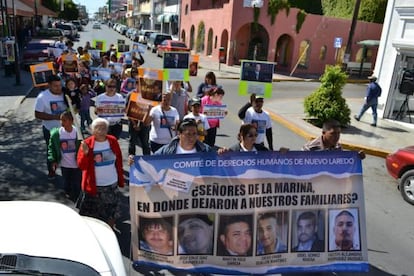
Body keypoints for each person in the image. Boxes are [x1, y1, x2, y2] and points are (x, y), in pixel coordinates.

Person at [77, 118, 124, 228]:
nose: (101, 130)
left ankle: (110, 231)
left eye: (104, 127)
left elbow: (119, 159)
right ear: (92, 130)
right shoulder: (87, 143)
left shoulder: (112, 141)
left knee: (111, 213)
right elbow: (81, 165)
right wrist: (86, 153)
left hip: (111, 183)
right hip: (94, 186)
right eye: (98, 127)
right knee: (92, 216)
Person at [34, 75, 68, 179]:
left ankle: (67, 172)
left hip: (66, 129)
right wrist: (56, 117)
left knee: (67, 152)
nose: (59, 88)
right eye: (55, 86)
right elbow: (38, 114)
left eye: (60, 85)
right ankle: (52, 171)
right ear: (49, 86)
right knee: (52, 152)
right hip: (50, 130)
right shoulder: (42, 97)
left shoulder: (65, 93)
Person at [47, 111, 81, 202]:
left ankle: (78, 197)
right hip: (65, 164)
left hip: (76, 164)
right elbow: (52, 148)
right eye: (61, 120)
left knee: (77, 182)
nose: (61, 123)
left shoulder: (78, 133)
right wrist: (53, 160)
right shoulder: (56, 134)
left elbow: (83, 147)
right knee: (66, 181)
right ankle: (68, 192)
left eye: (64, 120)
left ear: (71, 121)